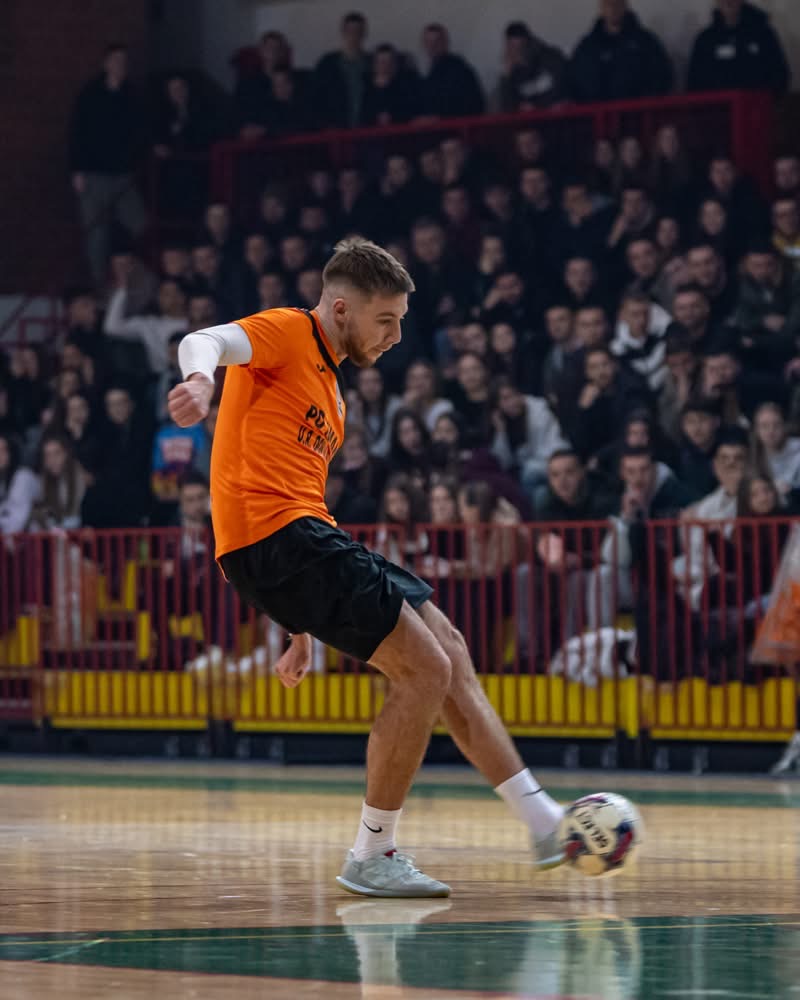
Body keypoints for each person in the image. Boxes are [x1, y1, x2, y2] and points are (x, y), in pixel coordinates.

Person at [168, 237, 567, 897]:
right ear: (341, 309)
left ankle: (544, 821)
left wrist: (296, 627)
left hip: (303, 541)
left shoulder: (333, 392)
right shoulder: (289, 331)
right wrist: (200, 380)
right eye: (386, 320)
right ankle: (373, 854)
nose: (396, 336)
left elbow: (290, 484)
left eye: (401, 322)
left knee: (449, 648)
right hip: (279, 539)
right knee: (425, 671)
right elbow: (204, 340)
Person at [68, 44, 147, 288]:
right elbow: (77, 131)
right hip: (94, 173)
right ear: (106, 64)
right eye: (115, 60)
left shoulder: (131, 95)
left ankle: (136, 278)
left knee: (139, 223)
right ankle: (99, 284)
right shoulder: (90, 94)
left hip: (123, 174)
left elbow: (139, 131)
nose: (119, 65)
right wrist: (77, 170)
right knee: (96, 233)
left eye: (123, 61)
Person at [568, 0, 673, 103]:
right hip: (596, 113)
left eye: (617, 3)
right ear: (601, 8)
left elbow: (663, 76)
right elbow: (572, 81)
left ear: (625, 6)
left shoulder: (645, 42)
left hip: (638, 112)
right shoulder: (587, 47)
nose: (612, 9)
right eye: (608, 4)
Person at [687, 0, 790, 96]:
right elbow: (694, 85)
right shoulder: (705, 40)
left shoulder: (762, 34)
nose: (728, 1)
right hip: (717, 107)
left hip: (756, 106)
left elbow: (779, 76)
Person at [418, 23, 485, 119]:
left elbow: (470, 104)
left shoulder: (459, 70)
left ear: (446, 42)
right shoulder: (428, 73)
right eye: (428, 42)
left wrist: (438, 118)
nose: (432, 46)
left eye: (437, 41)